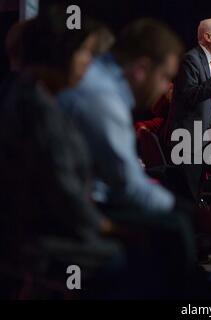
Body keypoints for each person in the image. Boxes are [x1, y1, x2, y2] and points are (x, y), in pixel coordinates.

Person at [0, 7, 121, 291]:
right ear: (59, 56)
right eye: (83, 54)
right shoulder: (35, 108)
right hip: (36, 241)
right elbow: (64, 196)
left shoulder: (26, 94)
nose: (87, 63)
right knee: (131, 255)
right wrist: (108, 227)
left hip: (35, 230)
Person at [59, 18, 183, 215]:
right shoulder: (104, 99)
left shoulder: (99, 82)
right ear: (141, 70)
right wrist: (191, 213)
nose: (165, 88)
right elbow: (128, 186)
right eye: (165, 77)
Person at [168, 18, 211, 200]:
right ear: (207, 36)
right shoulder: (191, 59)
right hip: (188, 143)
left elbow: (207, 102)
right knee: (189, 200)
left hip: (202, 143)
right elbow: (189, 96)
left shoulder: (207, 61)